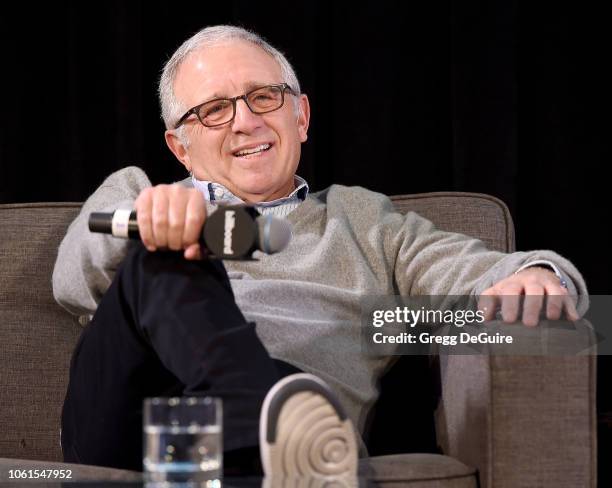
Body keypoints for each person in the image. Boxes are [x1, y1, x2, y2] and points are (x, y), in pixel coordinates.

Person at [53, 25, 587, 478]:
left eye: (264, 97)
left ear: (301, 116)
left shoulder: (365, 222)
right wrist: (155, 223)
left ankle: (273, 428)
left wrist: (537, 274)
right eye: (213, 110)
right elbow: (73, 282)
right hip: (133, 428)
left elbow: (473, 270)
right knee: (164, 255)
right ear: (180, 147)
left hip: (284, 459)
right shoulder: (138, 194)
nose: (244, 121)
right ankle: (266, 409)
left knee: (281, 422)